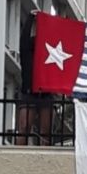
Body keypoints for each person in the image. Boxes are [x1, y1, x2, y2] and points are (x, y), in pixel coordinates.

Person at [17, 10, 54, 145]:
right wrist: (31, 17)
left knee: (45, 131)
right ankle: (19, 157)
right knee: (24, 127)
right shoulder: (27, 51)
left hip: (45, 93)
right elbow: (24, 38)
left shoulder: (49, 52)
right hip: (29, 92)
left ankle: (45, 158)